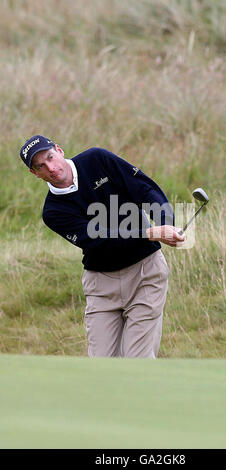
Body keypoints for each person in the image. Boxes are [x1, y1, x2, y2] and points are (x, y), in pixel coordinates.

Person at [20, 135, 185, 358]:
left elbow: (144, 189)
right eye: (41, 165)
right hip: (101, 286)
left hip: (145, 273)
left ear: (59, 150)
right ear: (35, 173)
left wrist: (165, 221)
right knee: (101, 366)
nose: (51, 167)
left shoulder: (97, 160)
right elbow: (100, 240)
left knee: (137, 360)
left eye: (50, 157)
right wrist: (150, 233)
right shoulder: (53, 212)